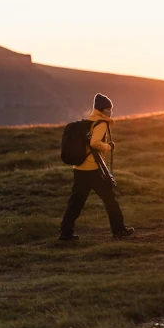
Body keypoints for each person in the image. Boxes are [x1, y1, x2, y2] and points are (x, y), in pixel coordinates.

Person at [59, 93, 135, 240]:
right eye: (107, 109)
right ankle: (119, 230)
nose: (110, 111)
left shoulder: (89, 121)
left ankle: (65, 232)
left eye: (110, 108)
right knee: (109, 199)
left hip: (79, 168)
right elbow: (94, 143)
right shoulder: (101, 123)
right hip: (93, 169)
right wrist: (107, 147)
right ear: (101, 110)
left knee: (76, 202)